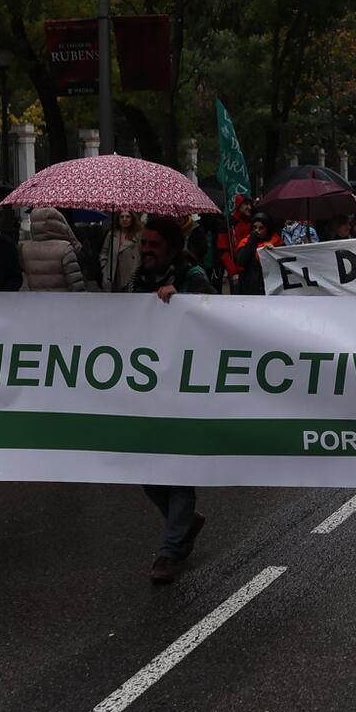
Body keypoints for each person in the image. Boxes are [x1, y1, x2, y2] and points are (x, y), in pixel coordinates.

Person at [133, 216, 215, 582]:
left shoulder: (191, 275)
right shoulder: (139, 279)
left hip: (184, 387)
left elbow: (214, 314)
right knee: (148, 474)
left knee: (177, 470)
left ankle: (171, 553)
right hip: (148, 388)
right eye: (143, 244)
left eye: (153, 245)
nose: (146, 251)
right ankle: (184, 523)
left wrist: (181, 301)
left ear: (169, 247)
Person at [21, 207, 87, 292]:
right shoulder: (65, 248)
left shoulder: (25, 249)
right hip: (63, 301)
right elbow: (76, 284)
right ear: (58, 223)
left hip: (37, 301)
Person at [233, 213, 283, 295]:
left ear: (267, 229)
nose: (257, 231)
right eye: (255, 227)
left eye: (261, 228)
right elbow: (241, 261)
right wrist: (252, 240)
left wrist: (273, 251)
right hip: (250, 286)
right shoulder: (245, 242)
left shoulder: (277, 241)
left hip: (270, 285)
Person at [99, 211, 143, 294]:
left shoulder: (138, 236)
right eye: (122, 217)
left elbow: (141, 254)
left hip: (130, 274)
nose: (124, 219)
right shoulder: (112, 234)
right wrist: (104, 268)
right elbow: (104, 252)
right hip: (113, 274)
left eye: (127, 217)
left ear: (132, 219)